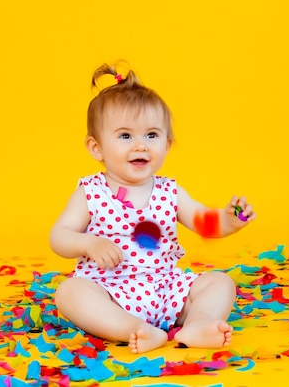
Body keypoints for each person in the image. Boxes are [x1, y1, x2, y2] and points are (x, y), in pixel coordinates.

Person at [49, 63, 256, 354]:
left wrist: (229, 221)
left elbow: (204, 223)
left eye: (151, 135)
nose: (141, 146)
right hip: (111, 291)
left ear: (167, 144)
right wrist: (88, 242)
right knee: (70, 293)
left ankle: (198, 322)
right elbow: (59, 235)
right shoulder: (91, 192)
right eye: (125, 136)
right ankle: (132, 328)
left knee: (220, 282)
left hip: (167, 288)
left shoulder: (169, 191)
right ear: (96, 148)